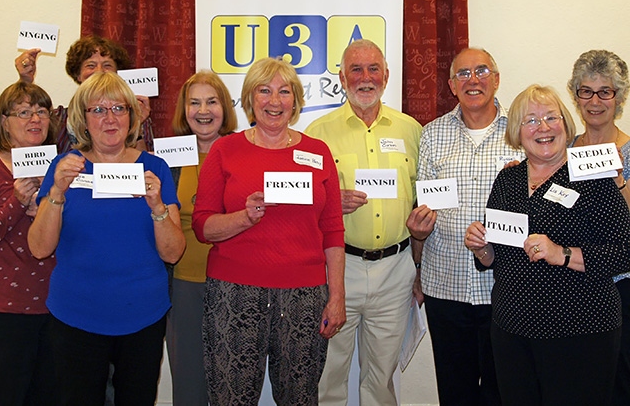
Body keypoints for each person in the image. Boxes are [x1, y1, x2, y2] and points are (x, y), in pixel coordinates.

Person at [192, 57, 345, 405]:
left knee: (299, 398)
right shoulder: (225, 150)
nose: (274, 101)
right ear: (249, 98)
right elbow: (203, 226)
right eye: (264, 91)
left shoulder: (317, 153)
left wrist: (336, 296)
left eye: (284, 92)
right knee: (231, 397)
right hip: (234, 293)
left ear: (296, 100)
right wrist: (243, 217)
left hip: (304, 297)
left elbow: (333, 231)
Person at [465, 84, 630, 405]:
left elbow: (624, 252)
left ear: (566, 125)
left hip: (581, 334)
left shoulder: (592, 178)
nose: (542, 127)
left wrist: (562, 254)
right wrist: (482, 248)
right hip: (512, 332)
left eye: (551, 118)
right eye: (530, 120)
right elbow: (499, 255)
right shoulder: (508, 180)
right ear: (517, 131)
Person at [27, 71, 185, 405]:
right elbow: (39, 247)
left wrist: (157, 205)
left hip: (143, 313)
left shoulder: (154, 169)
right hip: (76, 314)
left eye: (119, 108)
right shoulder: (64, 166)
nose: (110, 118)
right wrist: (56, 191)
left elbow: (173, 253)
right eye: (98, 110)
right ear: (83, 119)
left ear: (132, 116)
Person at [305, 38, 421, 406]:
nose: (365, 77)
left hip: (396, 269)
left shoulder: (411, 130)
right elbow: (299, 200)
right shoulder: (316, 133)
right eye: (356, 69)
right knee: (329, 374)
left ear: (386, 75)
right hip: (340, 269)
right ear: (341, 76)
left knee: (380, 378)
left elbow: (426, 196)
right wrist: (328, 202)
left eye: (373, 69)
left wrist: (420, 267)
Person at [407, 47, 524, 406]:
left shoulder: (522, 131)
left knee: (501, 391)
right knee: (454, 392)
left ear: (497, 79)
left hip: (506, 287)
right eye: (464, 74)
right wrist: (418, 241)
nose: (474, 80)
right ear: (451, 85)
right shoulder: (432, 134)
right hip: (446, 286)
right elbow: (423, 210)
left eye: (483, 71)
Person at [166, 70, 237, 406]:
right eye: (194, 102)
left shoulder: (242, 150)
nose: (203, 110)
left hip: (236, 284)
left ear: (225, 107)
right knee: (189, 382)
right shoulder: (167, 157)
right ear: (184, 109)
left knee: (235, 379)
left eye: (212, 101)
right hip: (183, 285)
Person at [567, 49, 630, 406]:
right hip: (575, 283)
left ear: (619, 97)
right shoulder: (566, 148)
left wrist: (619, 179)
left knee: (618, 384)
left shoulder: (629, 151)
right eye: (586, 91)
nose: (595, 101)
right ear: (575, 96)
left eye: (605, 91)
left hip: (621, 287)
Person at [0, 82, 58, 405]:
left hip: (56, 306)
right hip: (6, 309)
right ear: (4, 121)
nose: (35, 118)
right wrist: (16, 203)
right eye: (24, 112)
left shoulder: (62, 167)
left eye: (41, 111)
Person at [15, 35, 153, 152]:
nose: (99, 71)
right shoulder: (58, 118)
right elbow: (25, 141)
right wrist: (26, 81)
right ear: (78, 74)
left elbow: (143, 165)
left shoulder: (134, 114)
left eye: (107, 65)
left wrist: (137, 124)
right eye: (91, 66)